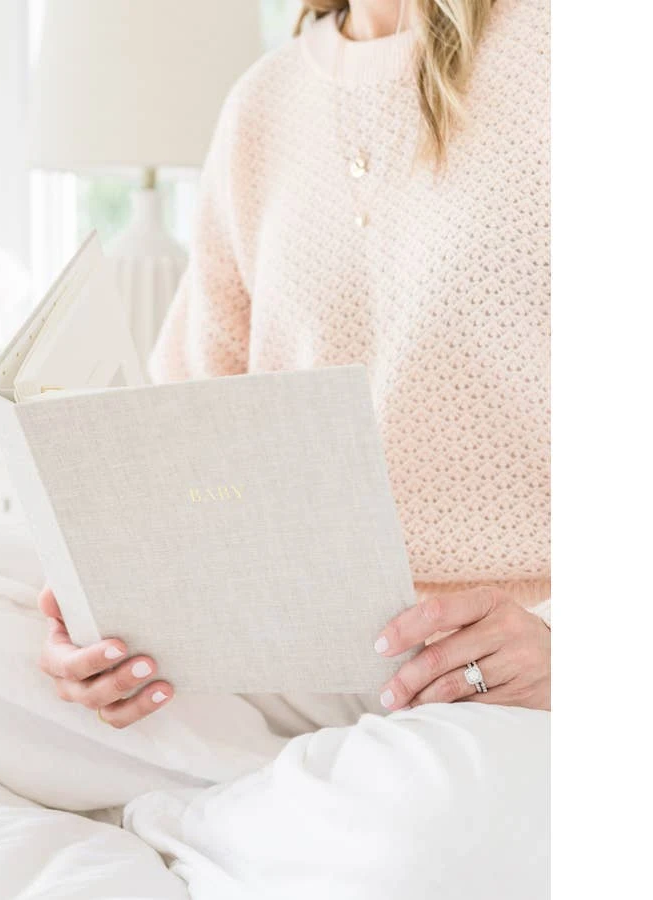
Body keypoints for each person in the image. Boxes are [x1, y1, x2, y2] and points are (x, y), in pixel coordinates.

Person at [38, 0, 551, 732]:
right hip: (274, 640)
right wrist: (97, 606)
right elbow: (184, 422)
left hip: (493, 670)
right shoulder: (263, 101)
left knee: (407, 789)